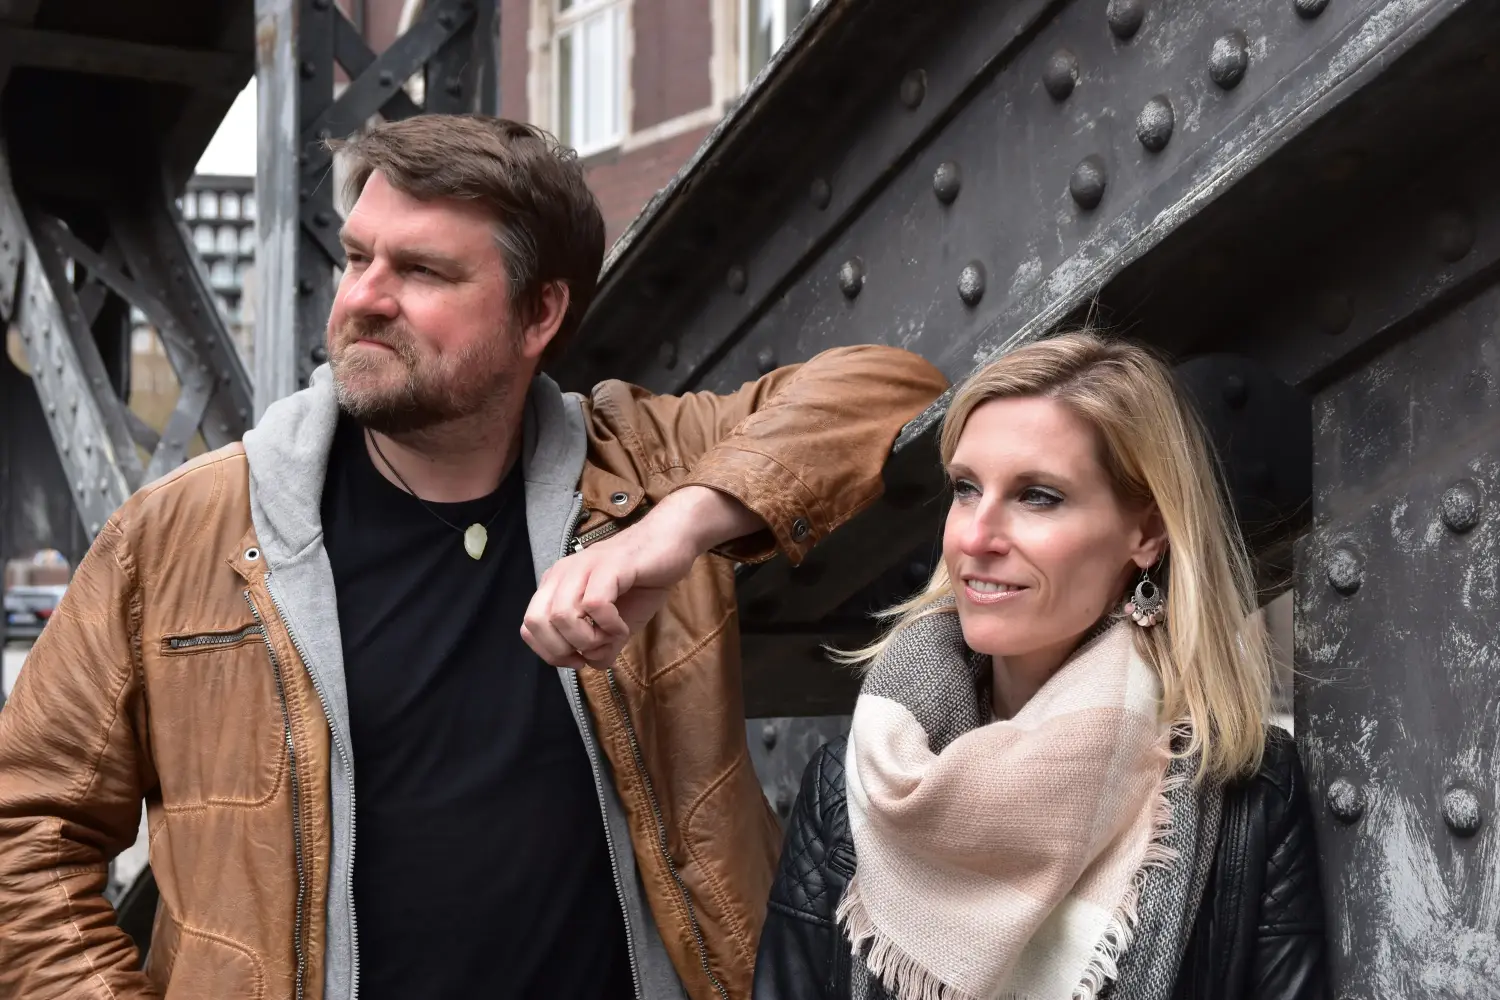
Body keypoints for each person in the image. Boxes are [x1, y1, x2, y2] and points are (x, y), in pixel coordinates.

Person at [0, 115, 947, 1000]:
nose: (363, 298)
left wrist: (677, 529)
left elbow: (889, 386)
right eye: (357, 257)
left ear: (539, 315)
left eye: (421, 271)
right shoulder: (177, 535)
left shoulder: (643, 467)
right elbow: (25, 831)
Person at [753, 332, 1327, 1000]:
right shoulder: (855, 779)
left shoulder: (1245, 790)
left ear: (1146, 533)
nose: (975, 536)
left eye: (1038, 496)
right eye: (966, 489)